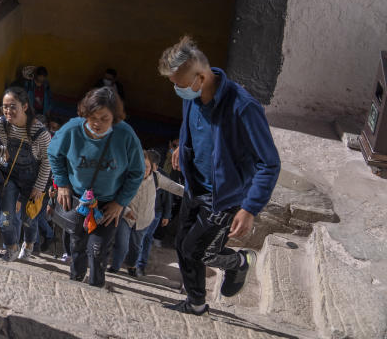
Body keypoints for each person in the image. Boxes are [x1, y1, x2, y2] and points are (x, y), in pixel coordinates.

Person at [158, 35, 281, 315]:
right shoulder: (192, 94)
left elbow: (269, 163)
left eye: (179, 85)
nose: (177, 91)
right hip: (194, 185)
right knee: (182, 244)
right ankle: (197, 303)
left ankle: (239, 263)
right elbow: (190, 125)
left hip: (224, 197)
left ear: (200, 77)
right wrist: (182, 147)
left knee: (197, 251)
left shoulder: (244, 107)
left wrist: (249, 208)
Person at [47, 87, 144, 288]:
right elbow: (54, 154)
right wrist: (62, 184)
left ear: (114, 118)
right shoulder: (72, 129)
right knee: (75, 244)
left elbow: (137, 172)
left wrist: (120, 202)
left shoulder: (125, 135)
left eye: (104, 118)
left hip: (108, 205)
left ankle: (95, 286)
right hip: (76, 199)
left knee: (98, 250)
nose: (97, 123)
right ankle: (75, 279)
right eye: (92, 117)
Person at [0, 87, 51, 262]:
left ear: (24, 106)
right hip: (10, 178)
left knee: (28, 220)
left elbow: (48, 161)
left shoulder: (40, 133)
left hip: (33, 181)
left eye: (12, 106)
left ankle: (28, 245)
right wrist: (1, 151)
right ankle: (12, 248)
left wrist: (39, 187)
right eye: (4, 106)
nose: (8, 111)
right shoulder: (1, 124)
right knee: (5, 220)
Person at [109, 148, 183, 276]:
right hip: (125, 217)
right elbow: (115, 194)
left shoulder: (156, 177)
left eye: (147, 167)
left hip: (144, 219)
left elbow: (174, 187)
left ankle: (131, 265)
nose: (144, 170)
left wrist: (194, 194)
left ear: (152, 167)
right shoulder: (125, 176)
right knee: (122, 244)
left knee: (136, 247)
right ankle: (114, 268)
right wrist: (126, 211)